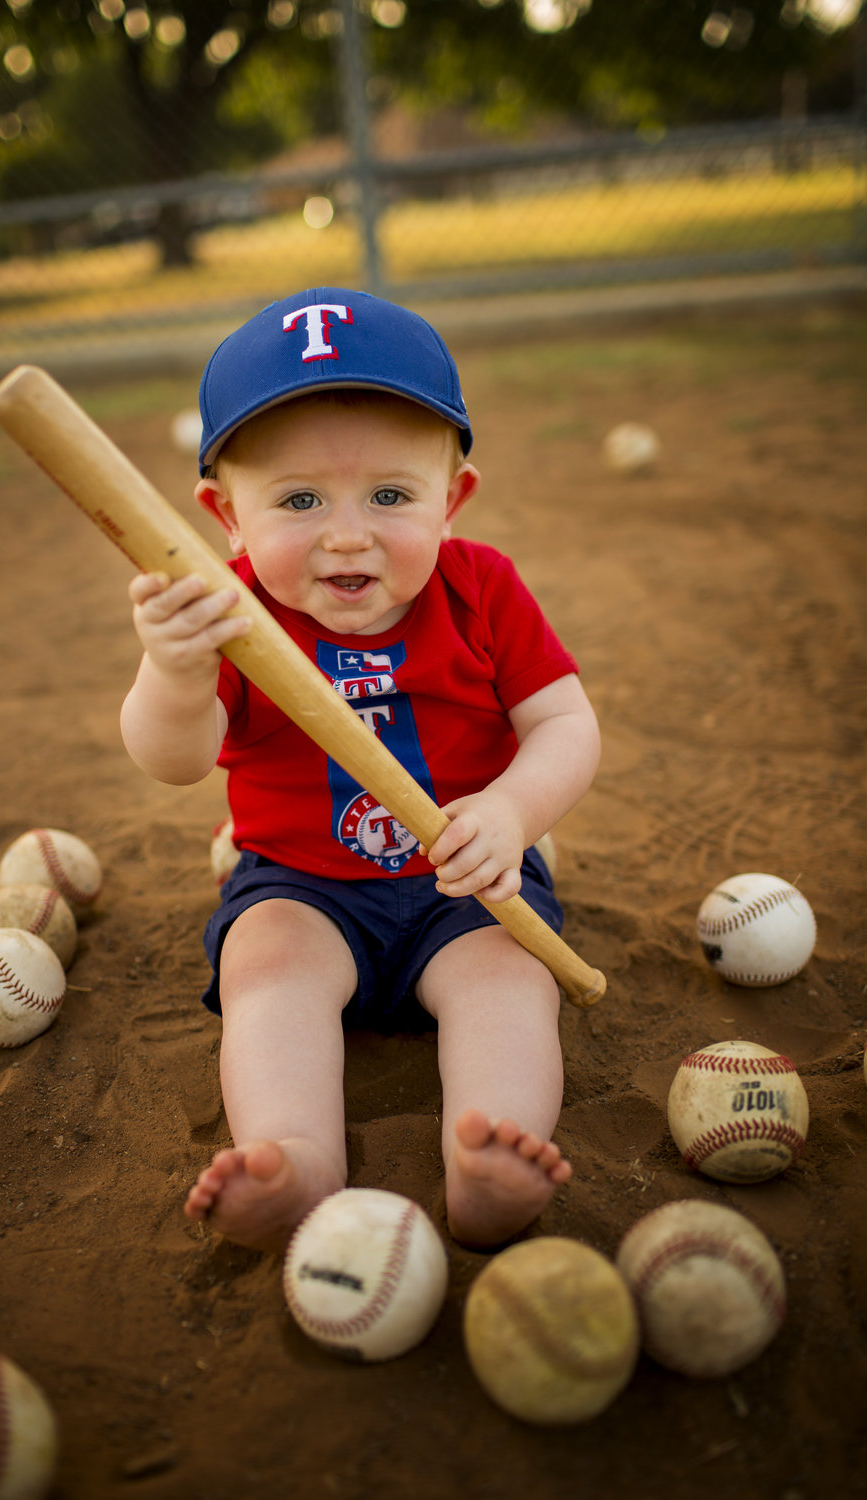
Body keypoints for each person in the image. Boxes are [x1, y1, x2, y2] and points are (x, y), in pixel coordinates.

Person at [120, 287, 600, 1254]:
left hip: (466, 881)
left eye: (390, 495)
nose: (348, 533)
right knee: (266, 969)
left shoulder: (483, 590)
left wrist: (511, 813)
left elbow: (565, 724)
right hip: (301, 885)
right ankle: (292, 1154)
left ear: (452, 499)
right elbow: (169, 759)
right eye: (299, 500)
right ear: (227, 516)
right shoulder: (232, 615)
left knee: (508, 978)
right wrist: (173, 671)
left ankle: (494, 1155)